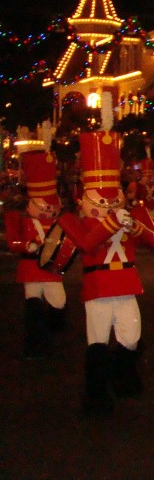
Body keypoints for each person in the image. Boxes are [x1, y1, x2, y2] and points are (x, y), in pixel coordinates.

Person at [59, 103, 154, 415]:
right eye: (102, 199)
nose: (110, 202)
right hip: (99, 287)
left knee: (131, 338)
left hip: (126, 284)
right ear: (85, 200)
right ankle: (97, 395)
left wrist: (138, 212)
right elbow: (88, 244)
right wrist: (115, 222)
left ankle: (121, 378)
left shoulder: (125, 214)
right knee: (97, 342)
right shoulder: (75, 221)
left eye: (112, 195)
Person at [5, 142, 69, 358]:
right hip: (31, 268)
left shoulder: (58, 224)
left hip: (51, 270)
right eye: (43, 206)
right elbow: (12, 242)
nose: (48, 211)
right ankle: (36, 343)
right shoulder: (23, 221)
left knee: (59, 303)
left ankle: (48, 332)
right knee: (33, 304)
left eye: (51, 207)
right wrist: (26, 246)